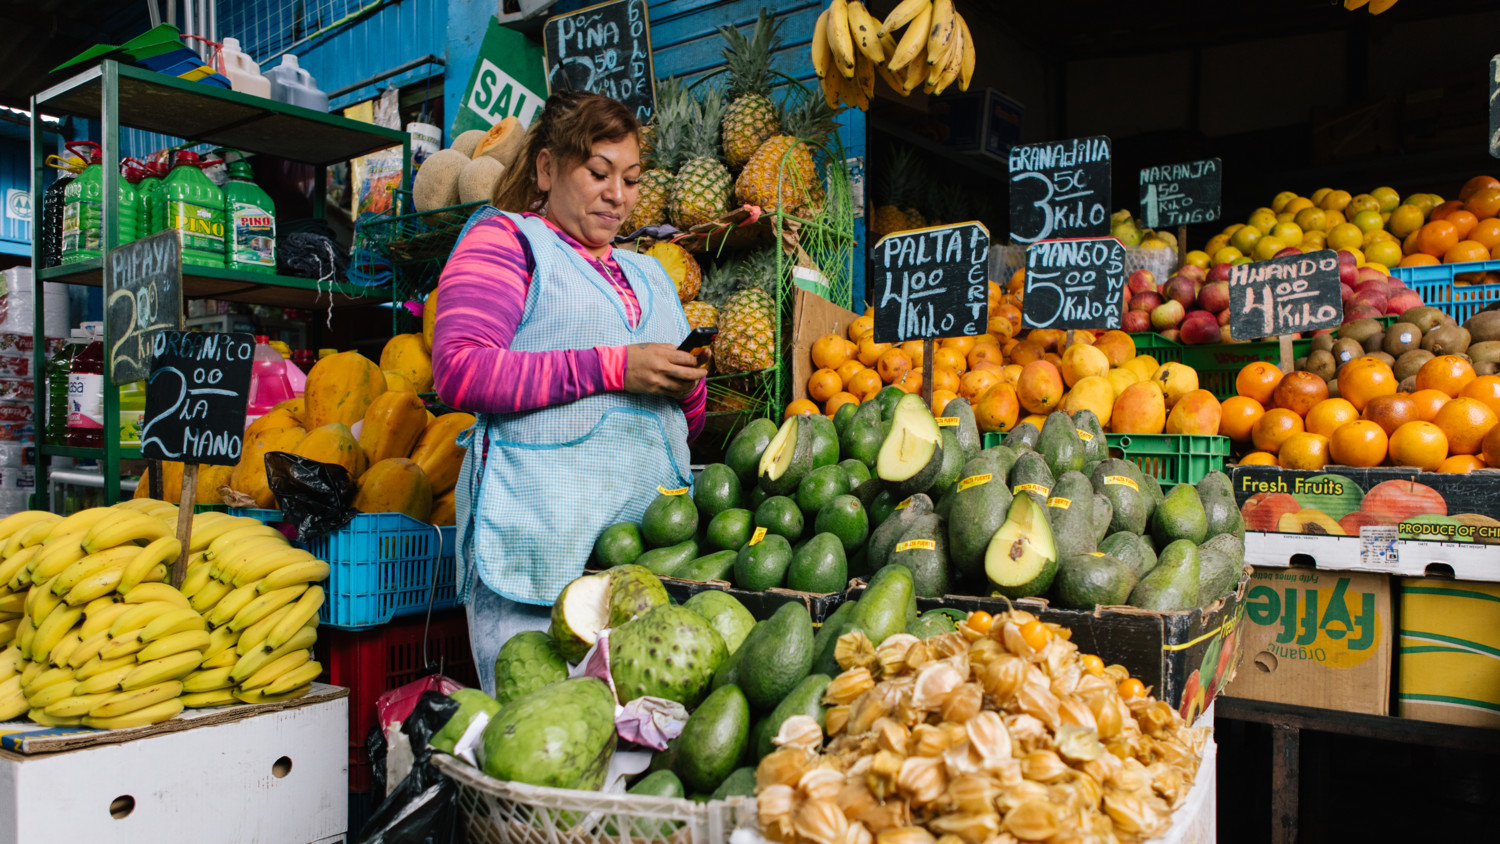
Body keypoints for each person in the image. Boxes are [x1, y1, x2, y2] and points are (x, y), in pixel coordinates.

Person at [432, 91, 708, 695]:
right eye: (598, 173)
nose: (618, 195)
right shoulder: (507, 242)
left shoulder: (651, 274)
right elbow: (459, 370)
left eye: (631, 179)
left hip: (642, 565)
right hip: (539, 554)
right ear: (547, 168)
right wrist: (614, 367)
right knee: (545, 747)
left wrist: (687, 384)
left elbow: (684, 426)